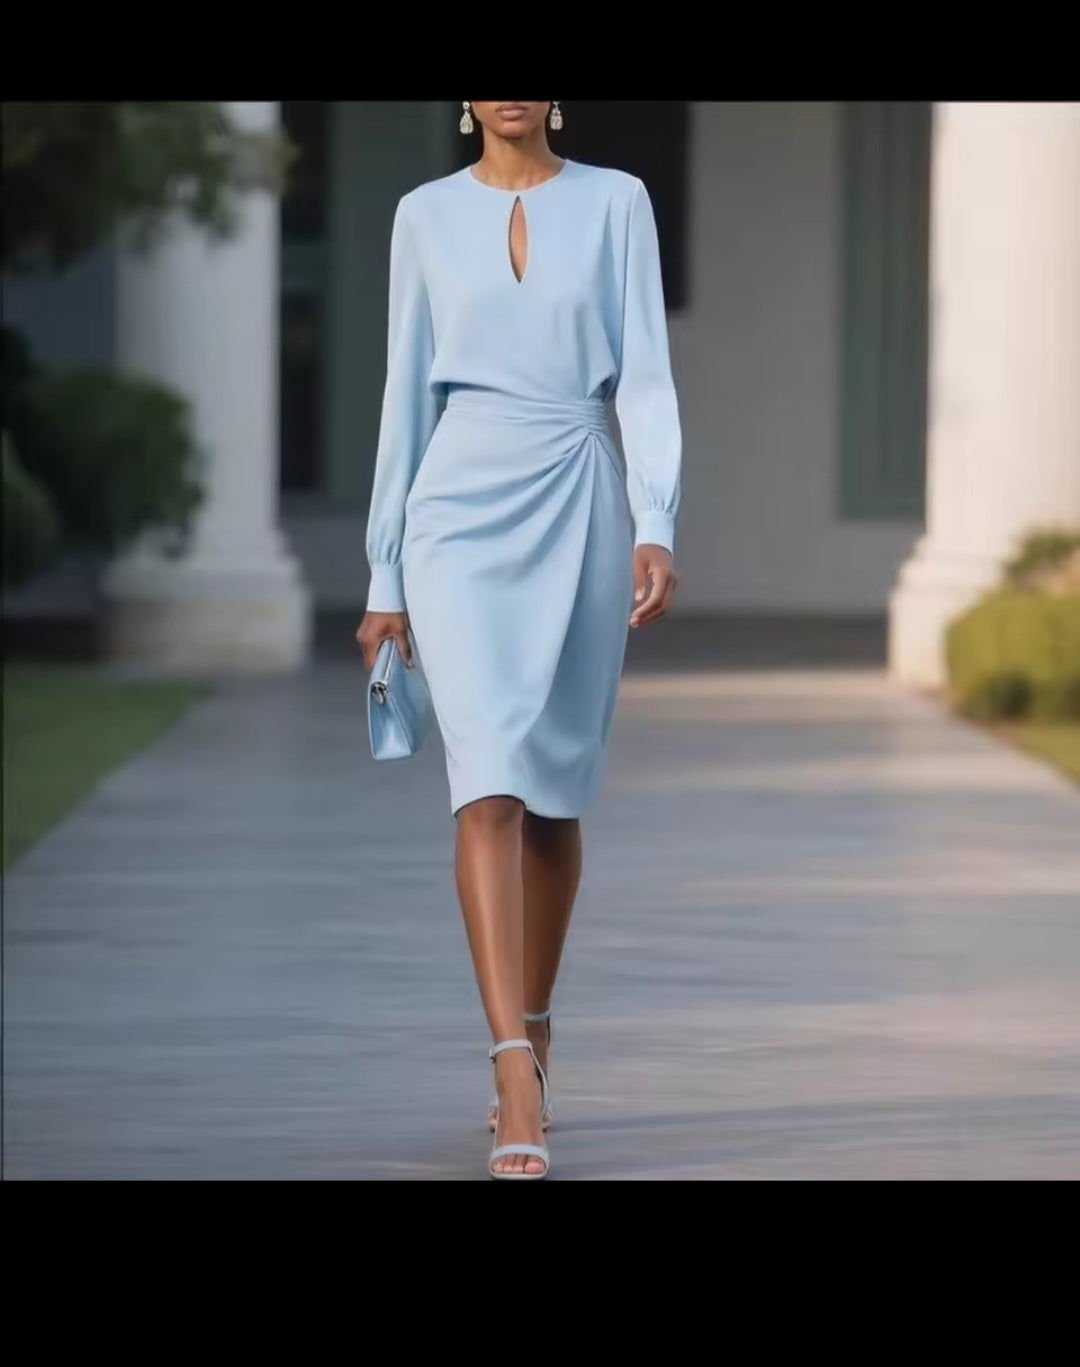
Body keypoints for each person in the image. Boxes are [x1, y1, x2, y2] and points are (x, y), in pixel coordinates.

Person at [357, 101, 682, 1180]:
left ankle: (536, 1026)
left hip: (581, 497)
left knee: (553, 795)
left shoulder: (617, 202)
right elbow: (404, 396)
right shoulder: (421, 215)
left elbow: (645, 373)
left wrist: (655, 519)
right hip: (457, 506)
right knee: (486, 782)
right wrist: (384, 571)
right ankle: (510, 1072)